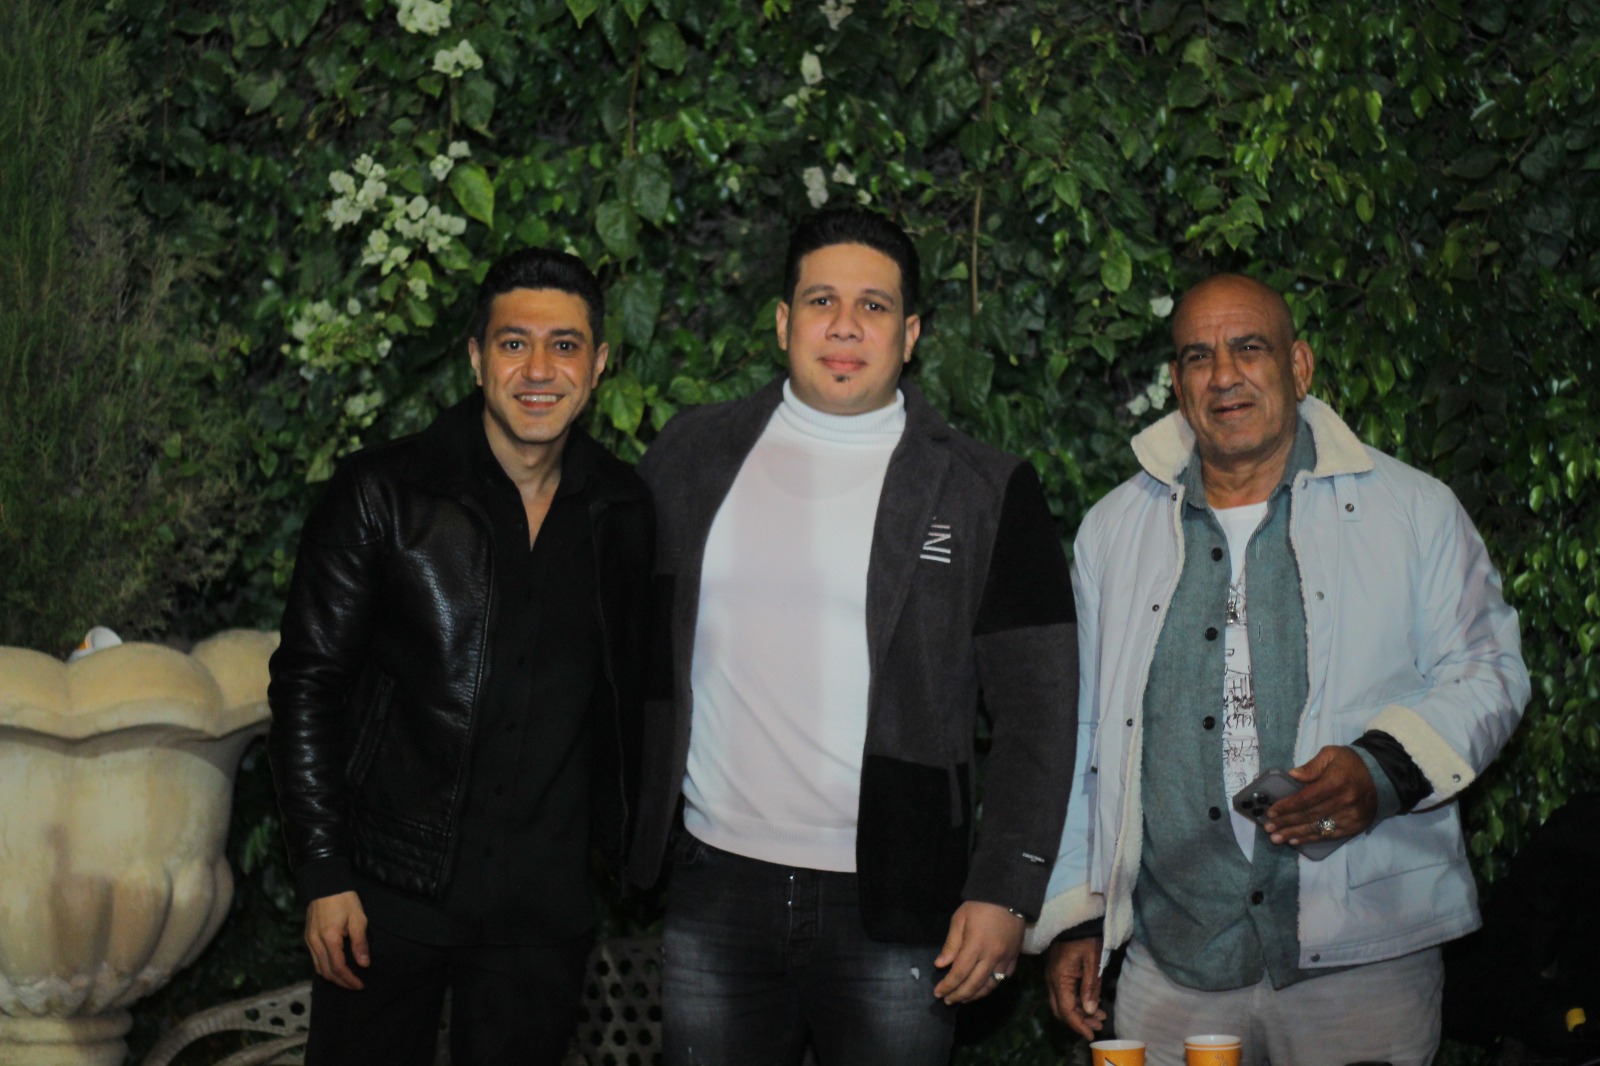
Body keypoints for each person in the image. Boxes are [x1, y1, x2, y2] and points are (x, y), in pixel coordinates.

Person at [1031, 273, 1530, 1066]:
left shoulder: (1411, 509)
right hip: (1174, 963)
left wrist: (1382, 772)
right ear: (1176, 383)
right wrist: (1080, 914)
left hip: (1363, 964)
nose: (1223, 375)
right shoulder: (1115, 530)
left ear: (1299, 366)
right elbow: (1083, 733)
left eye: (1248, 348)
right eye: (1198, 357)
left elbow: (1490, 671)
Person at [630, 208, 1079, 1065]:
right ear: (782, 322)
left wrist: (1007, 889)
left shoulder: (985, 490)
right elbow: (627, 649)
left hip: (901, 901)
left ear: (910, 335)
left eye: (873, 306)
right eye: (821, 301)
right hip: (714, 886)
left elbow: (1040, 713)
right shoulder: (689, 457)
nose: (844, 325)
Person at [266, 248, 653, 1065]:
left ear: (598, 366)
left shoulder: (622, 509)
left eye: (565, 345)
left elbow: (634, 698)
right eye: (514, 344)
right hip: (386, 896)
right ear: (477, 359)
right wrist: (325, 869)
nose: (539, 370)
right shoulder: (383, 494)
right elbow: (307, 686)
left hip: (543, 917)